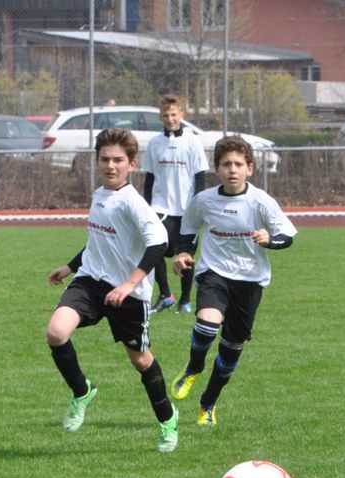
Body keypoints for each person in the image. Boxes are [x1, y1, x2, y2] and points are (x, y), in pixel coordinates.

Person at [45, 127, 179, 452]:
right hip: (91, 282)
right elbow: (100, 241)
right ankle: (82, 391)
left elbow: (159, 242)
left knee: (141, 361)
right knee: (56, 332)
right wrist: (71, 266)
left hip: (128, 296)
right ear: (97, 161)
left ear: (131, 164)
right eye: (105, 159)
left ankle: (167, 419)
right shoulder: (99, 194)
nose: (111, 165)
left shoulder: (133, 203)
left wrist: (129, 284)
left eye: (118, 160)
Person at [168, 136, 296, 426]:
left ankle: (208, 404)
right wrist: (184, 253)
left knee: (230, 351)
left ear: (250, 168)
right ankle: (192, 368)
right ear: (217, 169)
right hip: (214, 274)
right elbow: (188, 230)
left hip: (250, 282)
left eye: (238, 164)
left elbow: (287, 235)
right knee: (207, 324)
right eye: (226, 164)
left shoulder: (261, 201)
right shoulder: (204, 201)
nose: (232, 170)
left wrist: (270, 240)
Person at [142, 94, 209, 314]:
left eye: (173, 114)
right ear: (160, 116)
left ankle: (185, 300)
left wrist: (196, 205)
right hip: (160, 209)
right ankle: (165, 294)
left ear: (182, 114)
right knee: (155, 250)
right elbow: (149, 178)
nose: (169, 118)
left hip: (186, 209)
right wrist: (146, 207)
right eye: (165, 115)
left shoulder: (192, 141)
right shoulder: (154, 143)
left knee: (186, 256)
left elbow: (200, 177)